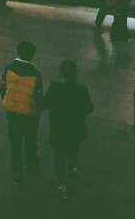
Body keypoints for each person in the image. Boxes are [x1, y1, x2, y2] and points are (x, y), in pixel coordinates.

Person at [45, 60, 94, 199]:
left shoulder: (55, 88)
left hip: (58, 128)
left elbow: (46, 104)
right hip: (75, 128)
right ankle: (72, 169)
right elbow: (89, 109)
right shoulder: (82, 90)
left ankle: (62, 185)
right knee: (73, 150)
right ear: (76, 74)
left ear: (61, 73)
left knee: (59, 156)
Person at [0, 40, 45, 184]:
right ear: (32, 55)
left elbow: (3, 89)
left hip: (13, 112)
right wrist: (39, 108)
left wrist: (9, 101)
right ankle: (31, 165)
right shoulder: (36, 73)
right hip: (30, 114)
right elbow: (38, 96)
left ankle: (17, 173)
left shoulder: (9, 68)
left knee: (15, 143)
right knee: (30, 140)